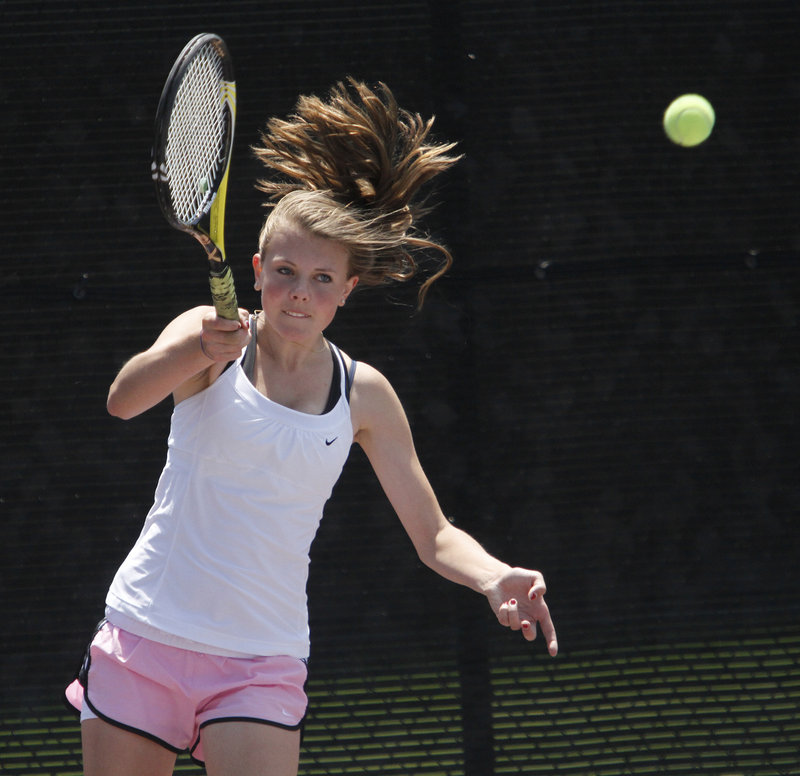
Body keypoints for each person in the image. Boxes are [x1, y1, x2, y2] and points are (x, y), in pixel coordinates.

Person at [66, 79, 558, 776]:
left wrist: (493, 578)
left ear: (349, 289)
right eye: (287, 271)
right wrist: (194, 349)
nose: (301, 291)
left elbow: (435, 533)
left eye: (323, 279)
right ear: (258, 270)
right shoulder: (206, 342)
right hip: (147, 636)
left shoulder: (365, 395)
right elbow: (122, 400)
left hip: (261, 662)